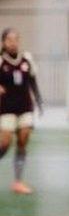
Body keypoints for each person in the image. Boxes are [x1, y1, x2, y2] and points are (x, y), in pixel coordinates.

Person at [0, 28, 43, 194]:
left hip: (25, 106)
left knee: (23, 139)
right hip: (6, 107)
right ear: (3, 42)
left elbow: (32, 81)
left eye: (16, 39)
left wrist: (39, 101)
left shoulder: (26, 59)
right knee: (4, 143)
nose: (13, 43)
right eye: (9, 40)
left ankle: (18, 182)